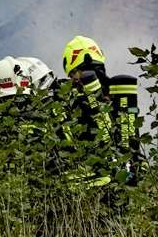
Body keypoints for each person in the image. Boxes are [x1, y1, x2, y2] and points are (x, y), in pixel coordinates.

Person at [58, 34, 141, 188]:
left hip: (92, 184)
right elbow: (130, 135)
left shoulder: (68, 97)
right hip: (127, 179)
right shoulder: (118, 91)